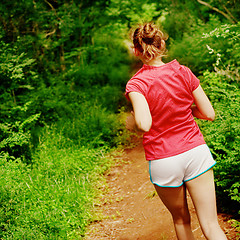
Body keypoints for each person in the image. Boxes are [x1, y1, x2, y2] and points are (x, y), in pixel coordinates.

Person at [125, 22, 227, 240]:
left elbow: (144, 124)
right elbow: (209, 113)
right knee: (210, 224)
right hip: (195, 152)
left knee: (181, 220)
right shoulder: (183, 72)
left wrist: (134, 118)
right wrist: (186, 110)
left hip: (164, 160)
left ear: (136, 51)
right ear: (162, 44)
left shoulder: (136, 84)